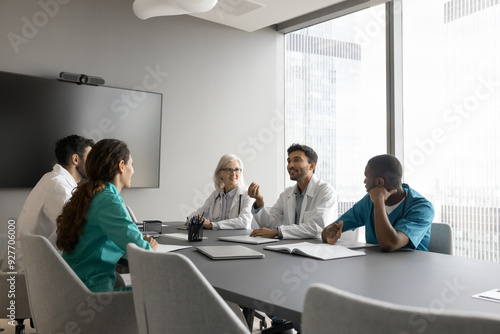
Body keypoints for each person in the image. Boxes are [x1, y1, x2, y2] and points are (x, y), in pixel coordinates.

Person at [56, 139, 157, 292]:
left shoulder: (92, 194)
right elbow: (143, 255)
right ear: (121, 166)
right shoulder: (108, 200)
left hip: (75, 288)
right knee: (164, 291)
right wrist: (149, 246)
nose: (133, 171)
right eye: (132, 164)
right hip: (92, 294)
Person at [1, 135, 94, 272]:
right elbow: (77, 232)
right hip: (28, 274)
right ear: (75, 159)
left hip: (29, 265)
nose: (94, 163)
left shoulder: (52, 179)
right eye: (90, 158)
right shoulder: (58, 187)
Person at [322, 154, 434, 252]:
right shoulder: (368, 201)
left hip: (413, 270)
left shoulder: (422, 208)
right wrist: (328, 234)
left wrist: (379, 200)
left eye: (366, 177)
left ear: (379, 182)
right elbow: (329, 230)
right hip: (376, 266)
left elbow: (390, 244)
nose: (364, 182)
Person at [249, 143, 337, 239]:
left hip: (315, 249)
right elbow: (270, 225)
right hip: (289, 247)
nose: (290, 165)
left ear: (311, 166)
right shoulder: (287, 194)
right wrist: (259, 202)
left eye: (296, 160)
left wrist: (277, 232)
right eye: (289, 161)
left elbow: (317, 227)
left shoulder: (326, 191)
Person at [189, 154, 254, 229]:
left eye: (236, 169)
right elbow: (200, 213)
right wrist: (192, 220)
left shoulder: (248, 194)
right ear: (220, 174)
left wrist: (212, 225)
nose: (233, 173)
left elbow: (245, 222)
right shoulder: (216, 194)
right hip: (217, 238)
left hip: (239, 238)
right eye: (228, 170)